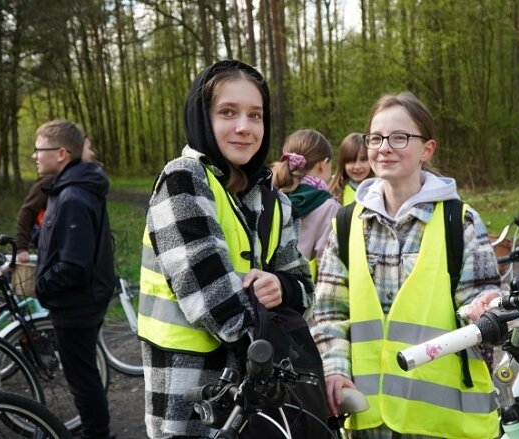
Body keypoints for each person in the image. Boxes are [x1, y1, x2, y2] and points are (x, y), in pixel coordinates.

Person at [137, 60, 326, 438]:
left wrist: (281, 286)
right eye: (228, 112)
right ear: (202, 118)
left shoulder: (274, 200)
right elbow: (211, 295)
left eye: (255, 115)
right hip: (191, 396)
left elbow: (304, 287)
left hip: (258, 395)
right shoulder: (183, 178)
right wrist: (282, 359)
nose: (244, 127)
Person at [310, 92, 502, 438]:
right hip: (369, 422)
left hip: (444, 424)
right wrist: (335, 370)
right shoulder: (346, 224)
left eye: (399, 137)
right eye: (376, 138)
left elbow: (483, 305)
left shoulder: (460, 223)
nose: (384, 147)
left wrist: (483, 308)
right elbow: (329, 314)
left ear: (426, 150)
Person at [32, 119, 115, 439]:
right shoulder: (66, 190)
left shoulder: (73, 197)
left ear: (62, 153)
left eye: (40, 150)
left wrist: (42, 285)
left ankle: (98, 434)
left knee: (82, 379)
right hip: (81, 300)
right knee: (84, 375)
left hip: (77, 305)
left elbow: (75, 265)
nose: (36, 156)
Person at [271, 129, 340, 281]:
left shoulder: (271, 194)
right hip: (304, 292)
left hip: (268, 289)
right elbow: (327, 263)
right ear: (323, 164)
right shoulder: (328, 207)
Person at [15, 135, 97, 263]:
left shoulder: (86, 181)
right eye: (88, 148)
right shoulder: (50, 180)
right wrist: (21, 247)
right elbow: (27, 212)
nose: (92, 153)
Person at [328, 132, 372, 205]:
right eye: (351, 161)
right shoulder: (334, 192)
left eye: (363, 160)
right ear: (343, 163)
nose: (357, 166)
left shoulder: (382, 189)